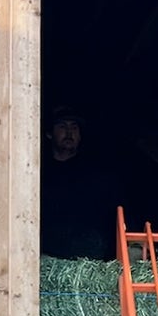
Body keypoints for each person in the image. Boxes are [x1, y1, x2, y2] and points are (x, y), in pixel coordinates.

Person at [39, 110, 121, 259]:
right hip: (46, 257)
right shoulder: (36, 172)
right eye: (63, 127)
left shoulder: (95, 174)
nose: (69, 132)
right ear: (49, 134)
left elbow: (116, 210)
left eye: (74, 128)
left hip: (87, 260)